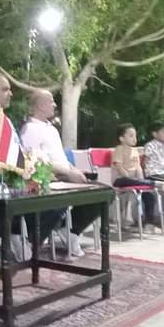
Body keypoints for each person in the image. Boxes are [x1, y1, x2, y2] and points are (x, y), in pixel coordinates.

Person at [0, 74, 99, 253]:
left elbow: (20, 155)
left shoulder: (5, 121)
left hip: (18, 181)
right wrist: (29, 172)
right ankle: (16, 234)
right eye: (5, 89)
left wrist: (38, 171)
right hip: (1, 186)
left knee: (59, 197)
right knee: (52, 199)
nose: (11, 93)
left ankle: (21, 235)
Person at [19, 88, 102, 255]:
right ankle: (31, 242)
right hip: (46, 179)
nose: (55, 105)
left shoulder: (52, 129)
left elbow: (60, 158)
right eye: (51, 101)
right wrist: (68, 172)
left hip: (65, 176)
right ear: (41, 105)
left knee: (103, 194)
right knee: (59, 202)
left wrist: (74, 170)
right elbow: (35, 163)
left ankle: (70, 231)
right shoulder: (30, 129)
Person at [111, 123, 164, 227]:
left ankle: (148, 222)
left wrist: (142, 181)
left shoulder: (135, 151)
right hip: (121, 180)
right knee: (132, 181)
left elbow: (138, 167)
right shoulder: (119, 149)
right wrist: (130, 178)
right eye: (131, 136)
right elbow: (119, 166)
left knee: (150, 195)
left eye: (135, 136)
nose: (134, 138)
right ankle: (157, 184)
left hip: (135, 181)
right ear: (121, 138)